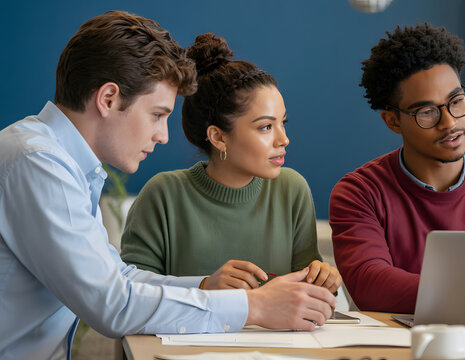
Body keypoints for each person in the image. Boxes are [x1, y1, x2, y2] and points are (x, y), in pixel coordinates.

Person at [0, 11, 335, 360]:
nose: (162, 136)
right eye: (157, 115)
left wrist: (207, 287)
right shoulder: (38, 163)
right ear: (109, 99)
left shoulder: (59, 162)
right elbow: (112, 304)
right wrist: (253, 307)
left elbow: (119, 277)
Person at [329, 23, 465, 314]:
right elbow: (371, 284)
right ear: (392, 121)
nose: (450, 123)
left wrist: (455, 293)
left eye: (456, 101)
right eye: (427, 112)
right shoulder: (359, 193)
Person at [121, 33, 342, 294]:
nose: (283, 139)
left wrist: (324, 279)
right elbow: (130, 294)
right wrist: (204, 287)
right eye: (266, 127)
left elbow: (309, 291)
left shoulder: (292, 190)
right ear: (218, 137)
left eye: (283, 123)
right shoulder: (163, 195)